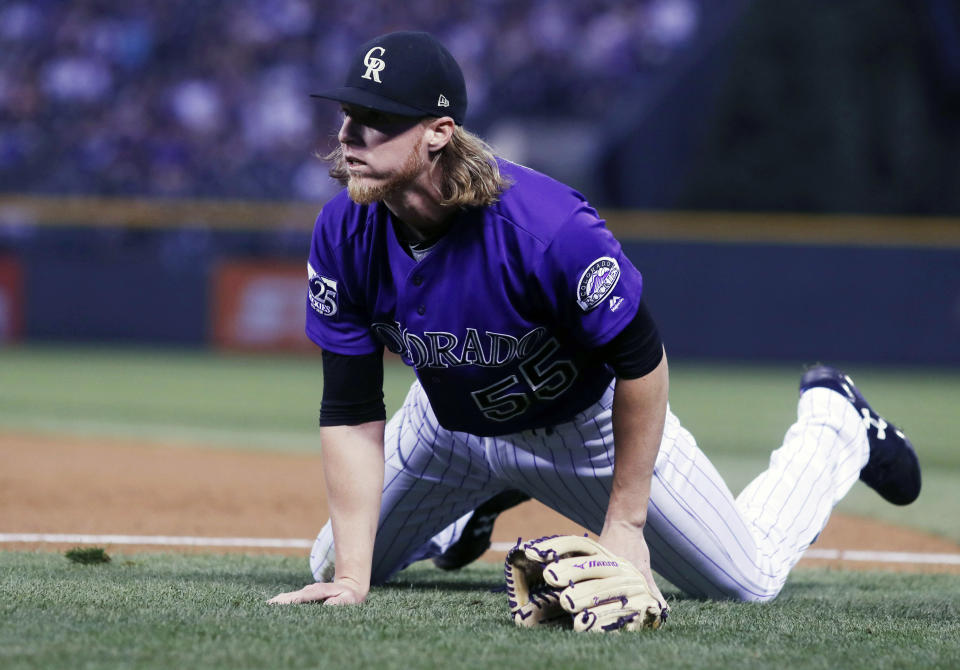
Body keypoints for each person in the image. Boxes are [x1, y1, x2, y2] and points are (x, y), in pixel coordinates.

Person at [268, 31, 920, 609]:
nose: (348, 134)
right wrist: (353, 582)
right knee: (333, 561)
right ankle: (466, 511)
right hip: (449, 428)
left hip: (582, 432)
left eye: (376, 119)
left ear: (438, 132)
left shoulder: (547, 228)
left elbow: (641, 362)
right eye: (348, 114)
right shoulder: (342, 230)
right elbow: (352, 410)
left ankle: (834, 425)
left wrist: (626, 525)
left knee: (745, 583)